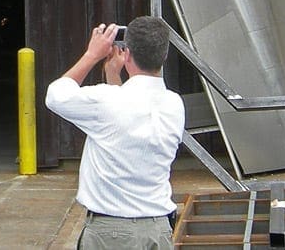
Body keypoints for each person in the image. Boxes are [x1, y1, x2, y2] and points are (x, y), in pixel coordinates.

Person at [45, 16, 185, 250]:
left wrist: (92, 55)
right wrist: (113, 75)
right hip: (157, 231)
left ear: (127, 54)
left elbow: (56, 96)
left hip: (109, 233)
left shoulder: (106, 101)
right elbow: (128, 118)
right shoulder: (174, 105)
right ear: (164, 56)